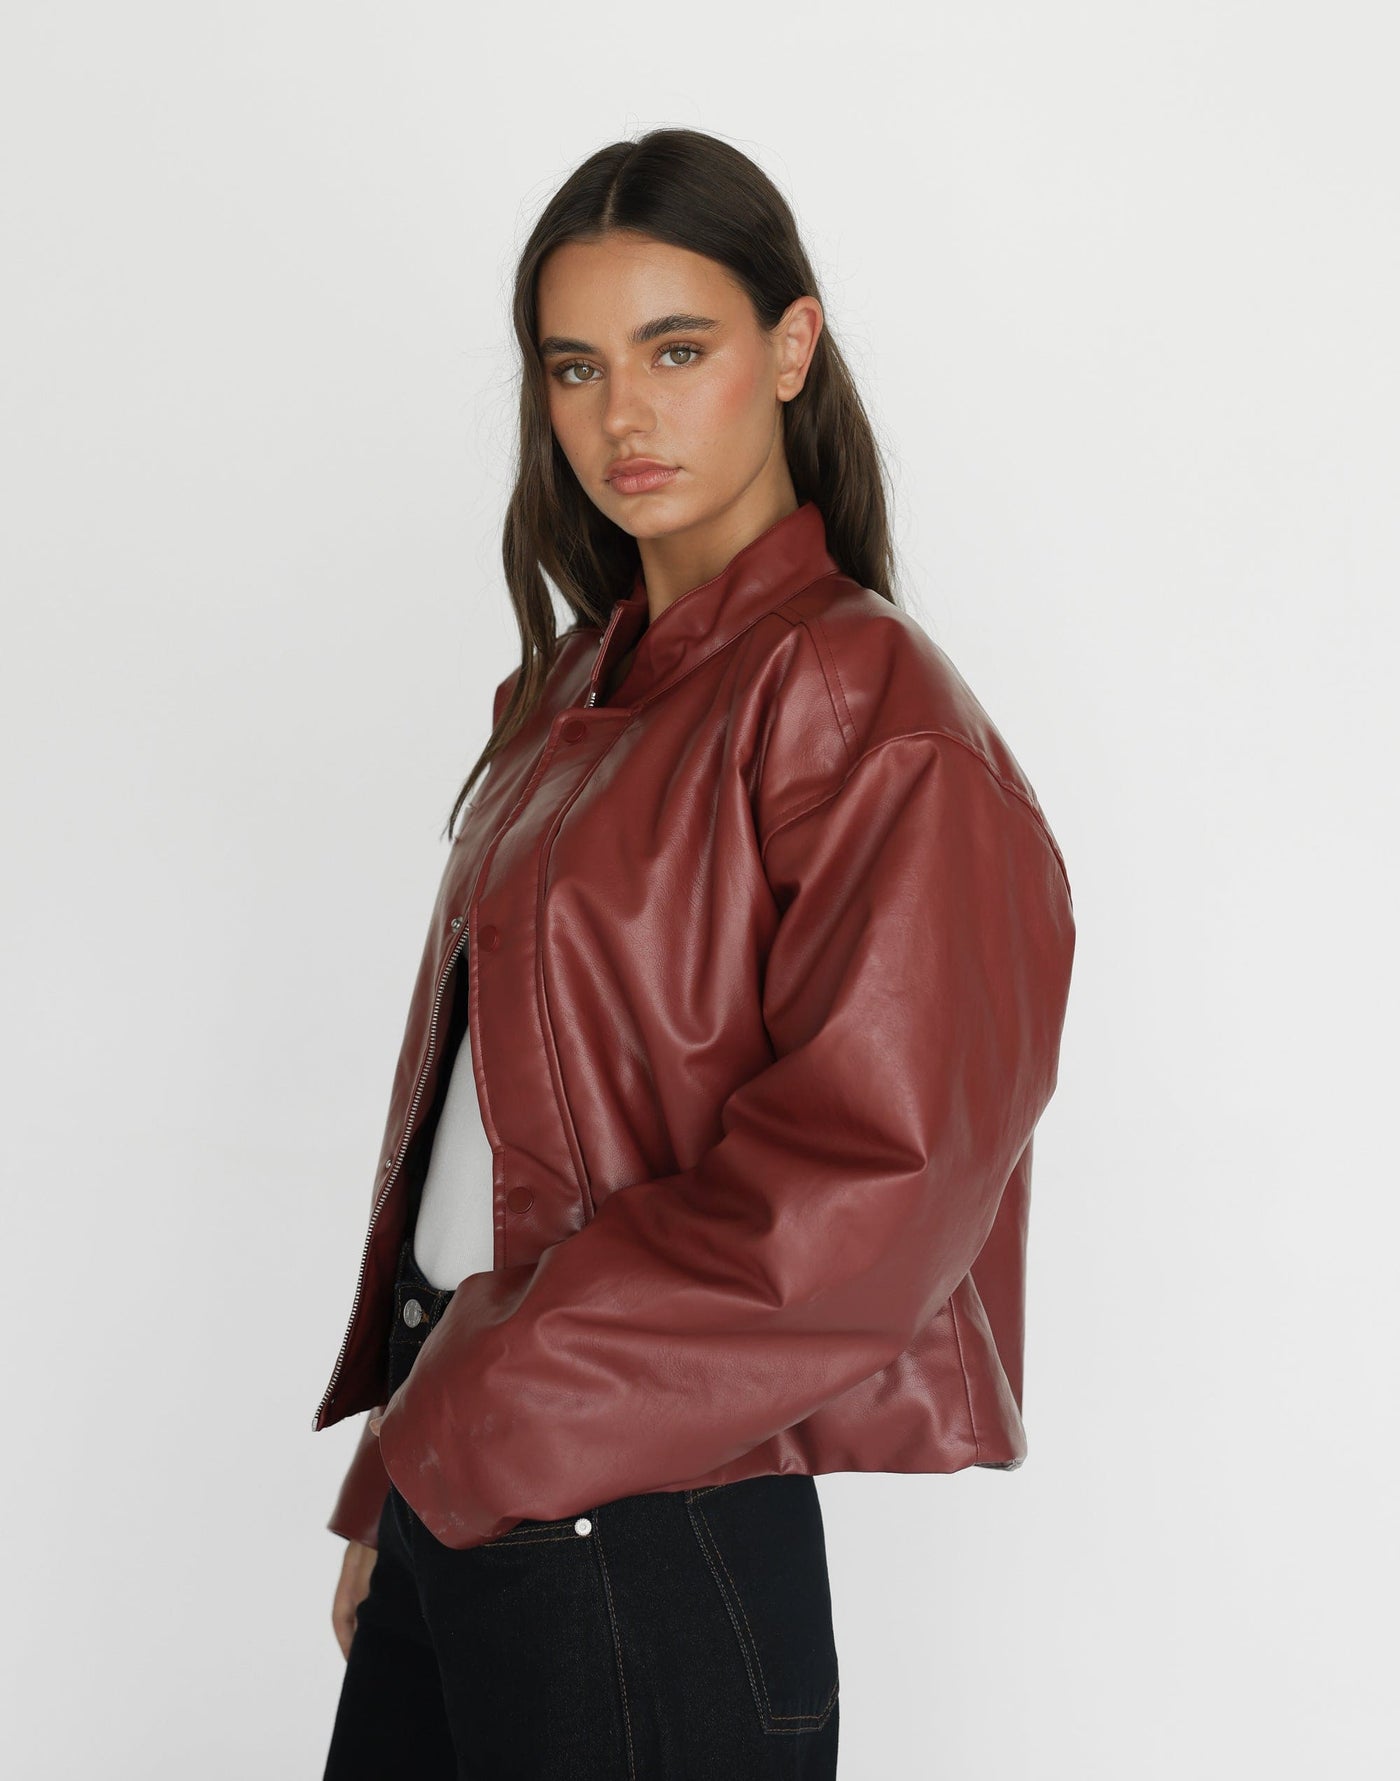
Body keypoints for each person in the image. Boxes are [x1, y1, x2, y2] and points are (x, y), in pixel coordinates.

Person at [317, 125, 1076, 1781]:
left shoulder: (862, 704)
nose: (623, 417)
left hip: (649, 1511)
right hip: (475, 1462)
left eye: (678, 350)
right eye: (575, 365)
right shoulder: (570, 692)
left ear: (791, 348)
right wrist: (403, 1462)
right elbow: (486, 1127)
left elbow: (879, 1185)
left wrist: (491, 1406)